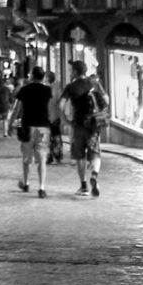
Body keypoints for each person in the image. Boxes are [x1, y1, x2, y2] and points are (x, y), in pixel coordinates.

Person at [62, 60, 110, 196]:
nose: (70, 72)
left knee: (80, 156)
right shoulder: (94, 83)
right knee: (95, 153)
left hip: (78, 124)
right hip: (93, 125)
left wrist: (66, 120)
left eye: (71, 70)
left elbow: (61, 105)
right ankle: (94, 175)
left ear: (75, 72)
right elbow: (106, 100)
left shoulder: (71, 87)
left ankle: (83, 186)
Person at [10, 63, 53, 196]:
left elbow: (17, 108)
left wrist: (11, 123)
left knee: (26, 158)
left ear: (32, 76)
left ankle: (27, 183)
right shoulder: (47, 90)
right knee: (42, 158)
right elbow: (50, 108)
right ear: (43, 77)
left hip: (27, 126)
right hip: (43, 128)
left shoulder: (25, 89)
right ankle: (42, 188)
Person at [0, 72, 14, 142]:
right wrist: (11, 104)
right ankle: (5, 133)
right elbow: (11, 98)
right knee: (5, 119)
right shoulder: (7, 89)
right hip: (5, 106)